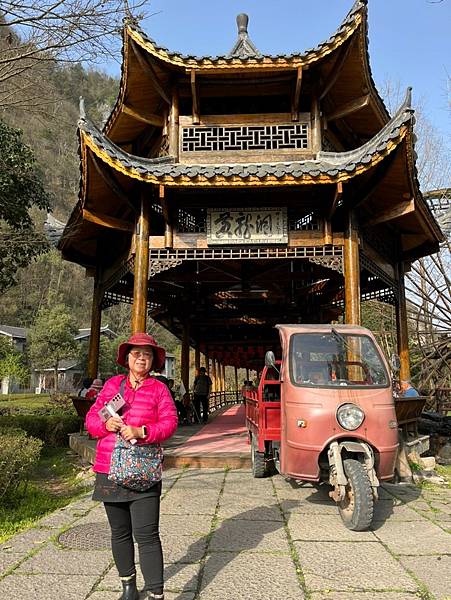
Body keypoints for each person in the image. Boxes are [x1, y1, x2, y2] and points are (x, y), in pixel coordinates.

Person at [86, 332, 178, 600]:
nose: (141, 358)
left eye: (147, 354)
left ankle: (155, 593)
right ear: (127, 358)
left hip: (144, 470)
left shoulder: (159, 389)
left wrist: (143, 431)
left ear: (153, 361)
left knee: (147, 534)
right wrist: (106, 424)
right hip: (109, 469)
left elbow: (170, 423)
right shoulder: (114, 387)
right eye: (136, 353)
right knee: (120, 532)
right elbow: (92, 420)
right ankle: (128, 587)